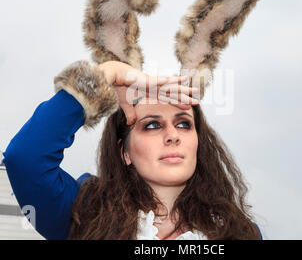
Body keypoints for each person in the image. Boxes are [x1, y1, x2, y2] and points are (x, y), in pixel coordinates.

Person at [2, 60, 262, 240]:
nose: (172, 136)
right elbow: (26, 158)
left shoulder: (238, 232)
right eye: (151, 125)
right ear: (124, 152)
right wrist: (106, 74)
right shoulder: (87, 213)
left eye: (184, 124)